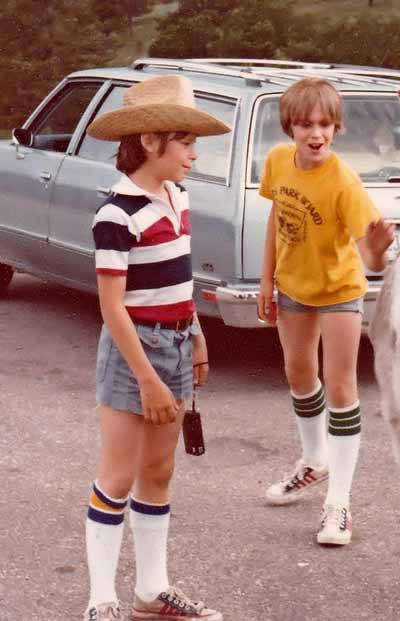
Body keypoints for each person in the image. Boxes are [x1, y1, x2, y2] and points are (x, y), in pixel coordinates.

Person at [82, 75, 230, 621]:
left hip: (174, 344)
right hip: (132, 351)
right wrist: (146, 377)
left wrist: (195, 334)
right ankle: (101, 598)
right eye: (186, 142)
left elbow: (178, 281)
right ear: (149, 141)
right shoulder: (116, 215)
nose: (194, 154)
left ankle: (152, 590)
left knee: (160, 472)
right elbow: (113, 306)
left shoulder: (177, 197)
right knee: (119, 474)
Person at [257, 78, 394, 547]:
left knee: (340, 385)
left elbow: (370, 259)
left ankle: (338, 502)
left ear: (336, 127)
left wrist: (377, 252)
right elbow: (277, 217)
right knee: (298, 375)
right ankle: (315, 461)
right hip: (292, 287)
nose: (315, 134)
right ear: (290, 127)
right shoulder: (277, 161)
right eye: (304, 124)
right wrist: (265, 280)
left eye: (324, 125)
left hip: (338, 290)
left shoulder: (344, 183)